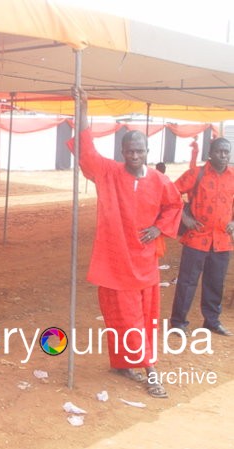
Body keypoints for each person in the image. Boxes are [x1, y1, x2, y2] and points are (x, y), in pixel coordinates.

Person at [70, 88, 183, 398]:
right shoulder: (108, 173)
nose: (134, 156)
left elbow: (175, 206)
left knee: (143, 318)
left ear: (147, 152)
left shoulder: (160, 181)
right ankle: (137, 367)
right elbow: (86, 151)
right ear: (122, 152)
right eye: (129, 151)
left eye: (140, 151)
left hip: (145, 264)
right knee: (121, 316)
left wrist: (159, 229)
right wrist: (82, 109)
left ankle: (143, 366)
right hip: (114, 263)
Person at [170, 137, 234, 337]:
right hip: (197, 238)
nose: (223, 155)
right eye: (219, 151)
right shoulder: (196, 174)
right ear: (210, 153)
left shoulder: (233, 176)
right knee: (187, 282)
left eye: (226, 152)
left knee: (215, 282)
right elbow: (170, 192)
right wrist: (184, 217)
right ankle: (178, 322)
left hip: (223, 240)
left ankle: (212, 321)